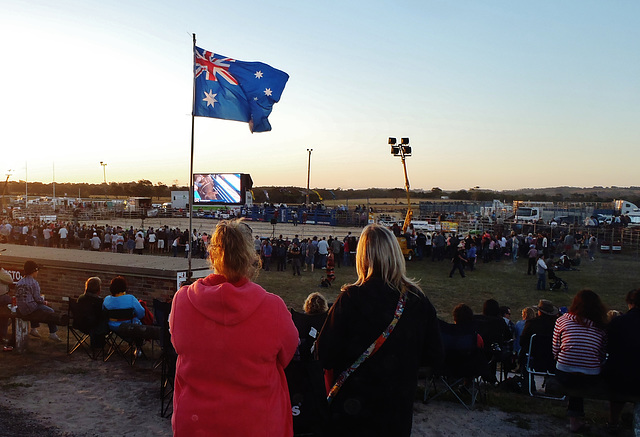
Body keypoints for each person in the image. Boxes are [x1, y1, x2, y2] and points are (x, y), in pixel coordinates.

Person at [170, 219, 298, 437]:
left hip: (196, 423)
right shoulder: (273, 307)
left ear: (211, 256)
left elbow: (179, 345)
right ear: (250, 259)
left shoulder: (182, 301)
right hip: (257, 423)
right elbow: (287, 355)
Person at [317, 224, 443, 437]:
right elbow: (435, 356)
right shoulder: (417, 301)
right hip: (396, 412)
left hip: (351, 412)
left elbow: (324, 355)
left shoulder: (350, 299)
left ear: (363, 257)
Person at [553, 289, 607, 433]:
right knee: (580, 375)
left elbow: (555, 349)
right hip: (590, 375)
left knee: (573, 373)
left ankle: (574, 421)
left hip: (565, 371)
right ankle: (576, 421)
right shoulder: (600, 326)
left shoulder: (562, 320)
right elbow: (601, 354)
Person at [604, 289, 640, 431]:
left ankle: (613, 421)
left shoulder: (618, 322)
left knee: (618, 382)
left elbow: (608, 347)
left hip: (619, 375)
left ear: (630, 303)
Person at [16, 260, 61, 341]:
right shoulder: (34, 283)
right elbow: (37, 299)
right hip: (30, 308)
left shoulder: (19, 282)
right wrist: (45, 302)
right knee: (50, 311)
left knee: (35, 307)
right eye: (37, 271)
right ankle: (53, 333)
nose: (38, 273)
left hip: (21, 308)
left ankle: (34, 329)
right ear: (34, 271)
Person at [102, 276, 146, 355]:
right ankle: (138, 346)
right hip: (128, 326)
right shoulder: (130, 299)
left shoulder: (107, 299)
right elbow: (141, 313)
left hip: (112, 326)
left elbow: (103, 313)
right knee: (137, 322)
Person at [75, 277, 106, 348]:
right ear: (98, 288)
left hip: (80, 324)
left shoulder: (81, 298)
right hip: (94, 326)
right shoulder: (99, 301)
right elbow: (100, 316)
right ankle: (99, 344)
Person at [0, 263, 14, 349]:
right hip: (2, 298)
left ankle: (2, 335)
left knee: (4, 315)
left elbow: (10, 280)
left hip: (3, 298)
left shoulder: (2, 272)